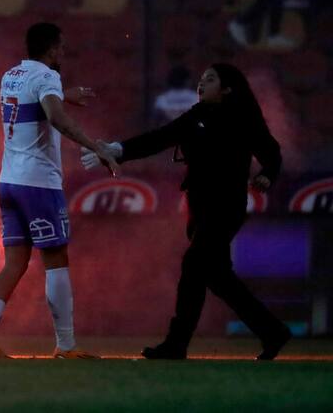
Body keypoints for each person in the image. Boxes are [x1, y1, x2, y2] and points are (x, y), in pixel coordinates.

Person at [81, 63, 292, 360]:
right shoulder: (196, 114)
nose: (201, 84)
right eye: (201, 79)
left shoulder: (243, 117)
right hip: (199, 206)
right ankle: (272, 331)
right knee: (218, 278)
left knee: (193, 265)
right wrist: (117, 149)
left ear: (227, 88)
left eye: (210, 79)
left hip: (226, 205)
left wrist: (268, 174)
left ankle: (176, 343)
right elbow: (159, 138)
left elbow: (271, 152)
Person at [0, 22, 120, 359]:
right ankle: (66, 345)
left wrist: (64, 95)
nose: (64, 53)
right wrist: (96, 146)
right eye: (62, 47)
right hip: (39, 182)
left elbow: (35, 103)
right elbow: (55, 117)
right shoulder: (48, 77)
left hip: (9, 181)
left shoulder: (10, 76)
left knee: (14, 264)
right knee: (56, 261)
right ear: (52, 48)